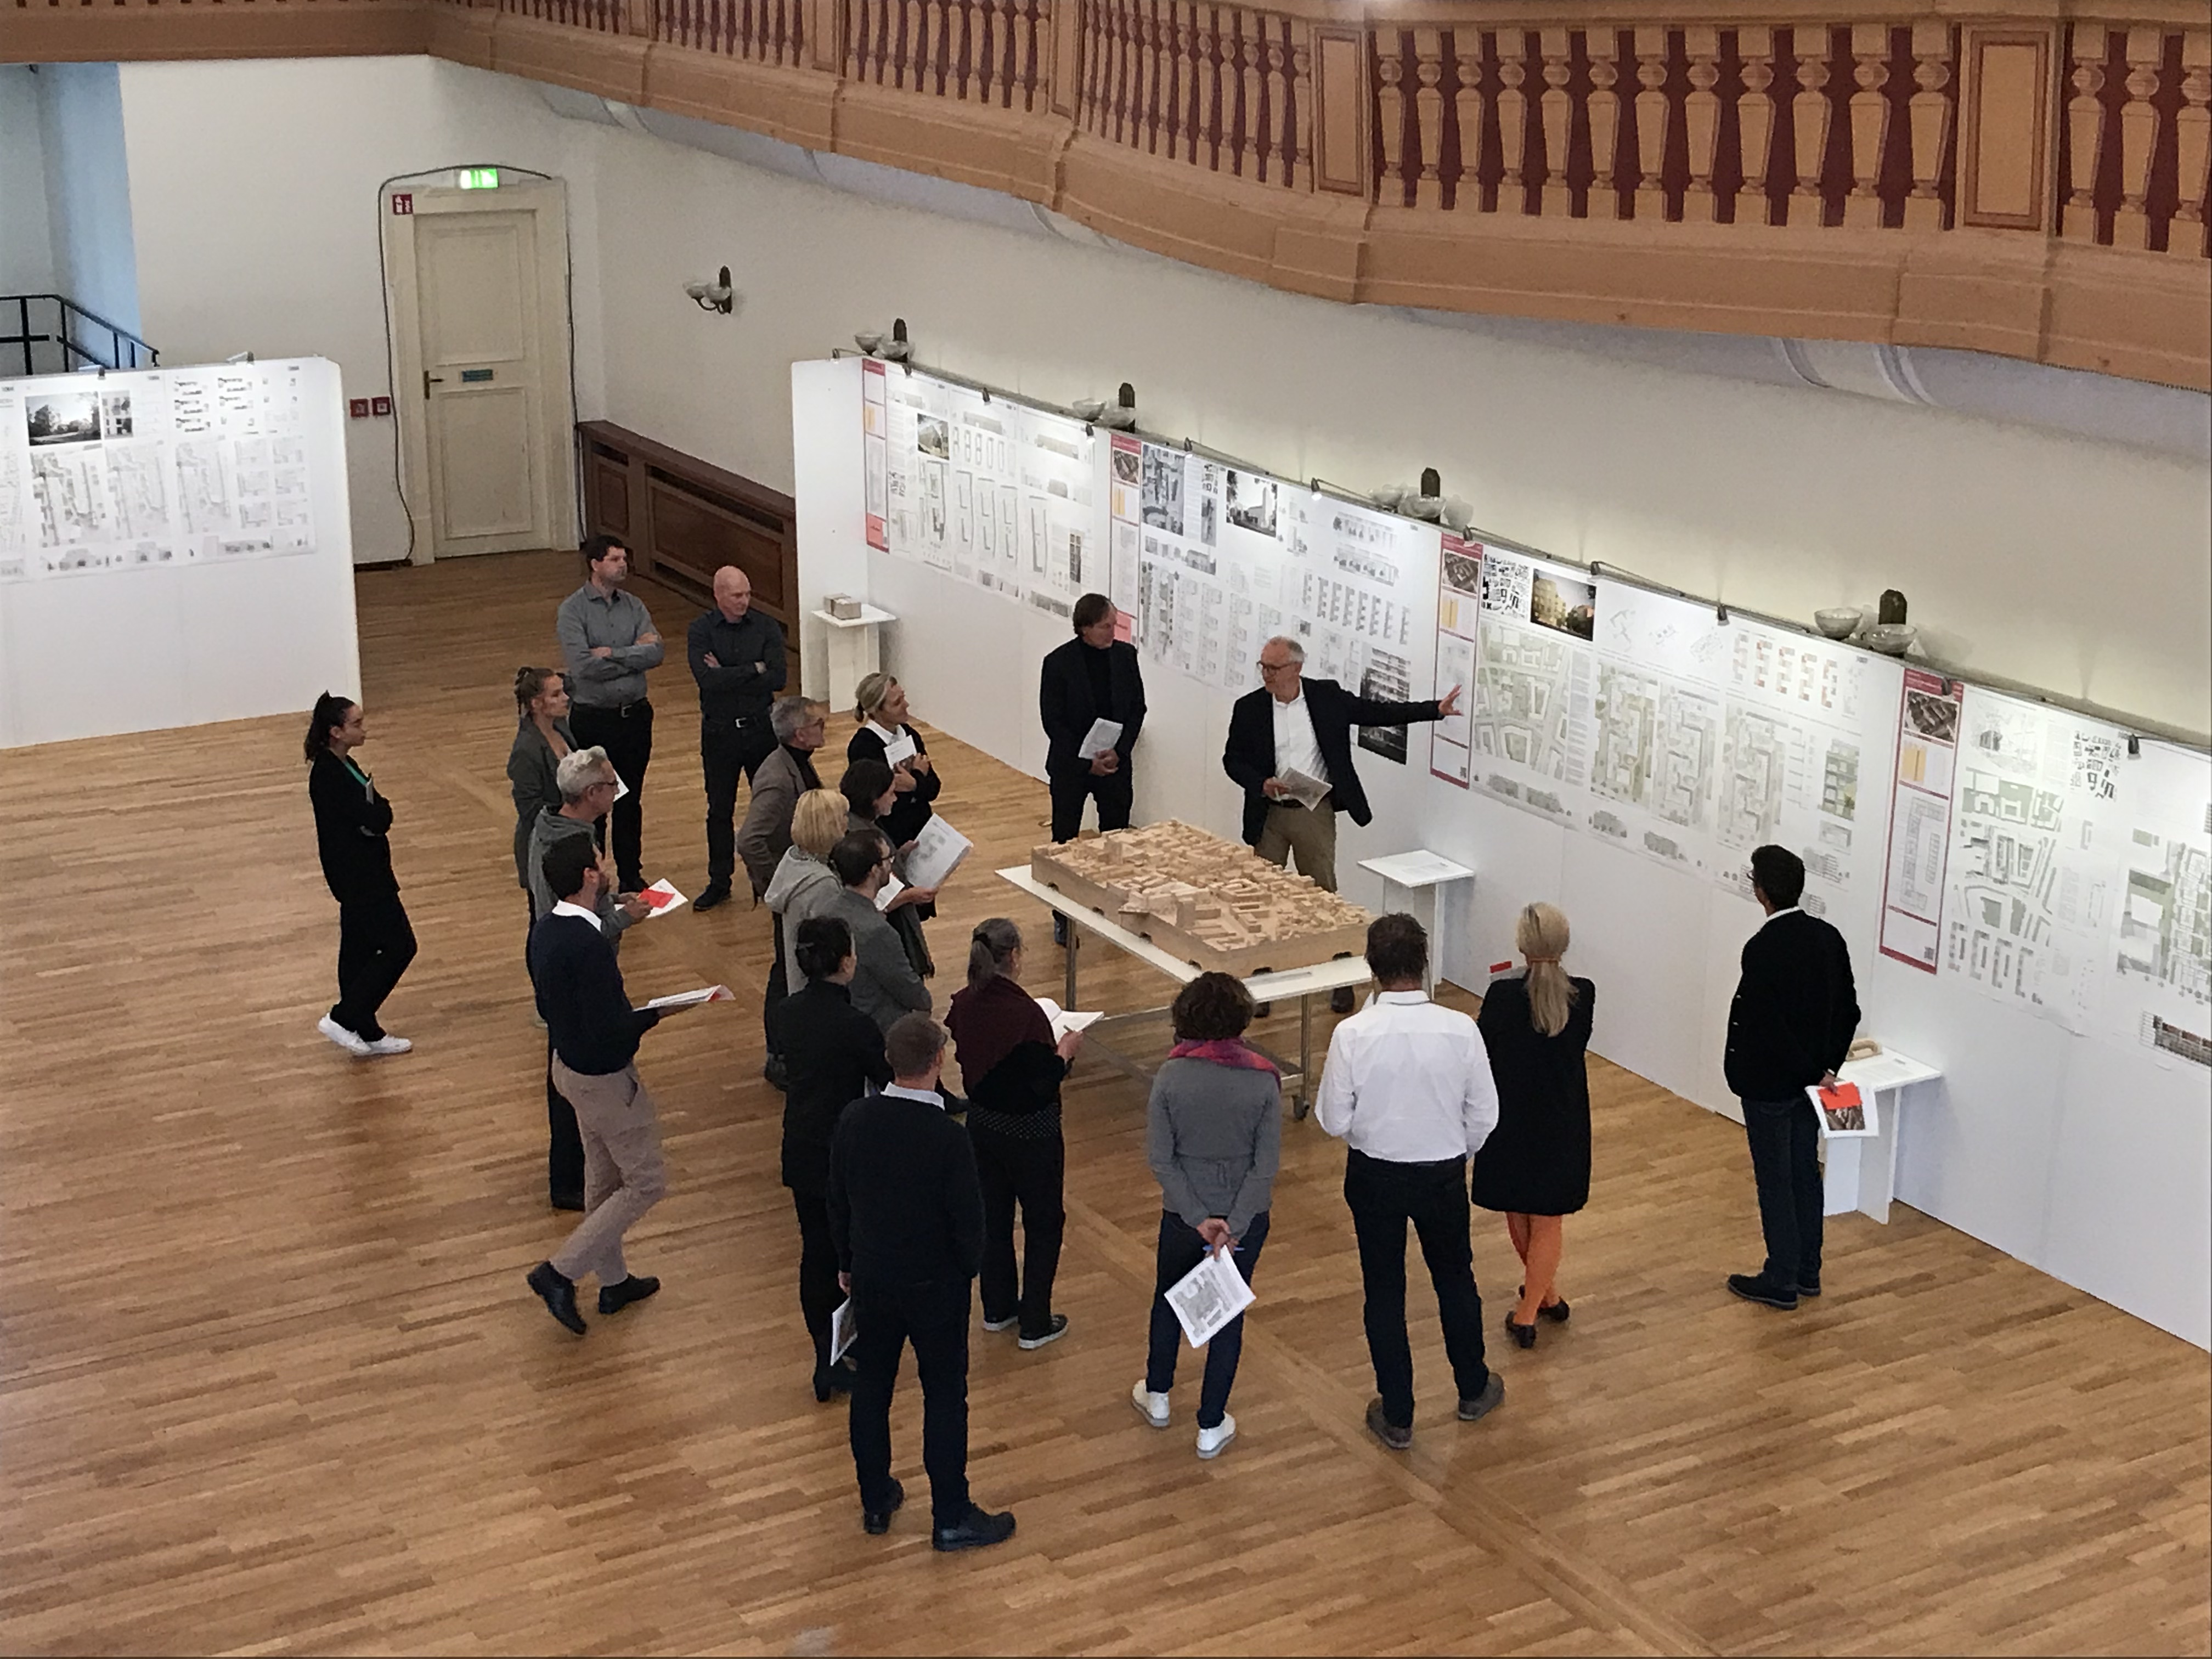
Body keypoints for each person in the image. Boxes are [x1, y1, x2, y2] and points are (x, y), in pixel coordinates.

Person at [1313, 913, 1503, 1451]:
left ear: (1371, 968)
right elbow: (1485, 1114)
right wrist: (1455, 1148)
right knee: (1455, 1280)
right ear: (1423, 963)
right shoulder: (1461, 1029)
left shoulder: (1352, 1034)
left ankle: (1397, 1414)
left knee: (1384, 1290)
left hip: (1374, 1174)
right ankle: (1472, 1387)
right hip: (1442, 1173)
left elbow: (1333, 1119)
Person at [828, 1012, 1014, 1551]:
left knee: (872, 1389)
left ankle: (876, 1500)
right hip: (936, 1287)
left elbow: (838, 1199)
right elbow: (970, 1223)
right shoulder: (947, 1137)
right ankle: (951, 1514)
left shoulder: (855, 1119)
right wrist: (965, 1271)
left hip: (872, 1279)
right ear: (938, 1061)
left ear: (890, 1060)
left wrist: (847, 1260)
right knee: (944, 1396)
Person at [1222, 635, 1462, 1011]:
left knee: (1323, 895)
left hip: (1313, 811)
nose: (1266, 674)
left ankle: (1339, 977)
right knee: (1264, 895)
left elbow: (1375, 713)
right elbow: (1232, 760)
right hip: (1268, 813)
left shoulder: (1326, 697)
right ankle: (1262, 978)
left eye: (1274, 668)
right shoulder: (1249, 708)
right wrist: (1260, 783)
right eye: (1263, 667)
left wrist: (1435, 710)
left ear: (1296, 668)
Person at [523, 837, 693, 1335]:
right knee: (646, 1183)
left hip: (568, 1068)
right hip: (604, 1080)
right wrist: (658, 1013)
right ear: (589, 876)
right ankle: (560, 1271)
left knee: (603, 1180)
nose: (607, 865)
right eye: (601, 860)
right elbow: (611, 1029)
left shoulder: (545, 930)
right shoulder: (589, 945)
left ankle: (614, 1281)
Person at [1134, 972, 1280, 1460]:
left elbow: (1161, 1159)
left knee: (1167, 1300)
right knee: (1228, 1316)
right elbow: (1266, 1165)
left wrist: (1198, 1217)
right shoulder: (1263, 1078)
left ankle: (1158, 1394)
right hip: (1244, 1219)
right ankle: (1211, 1424)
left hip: (1184, 1215)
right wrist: (1233, 1225)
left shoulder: (1171, 1076)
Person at [1724, 844, 1861, 1311]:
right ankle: (1807, 1269)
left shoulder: (1762, 948)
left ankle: (1781, 1276)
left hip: (1771, 1085)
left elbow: (1768, 1027)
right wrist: (1828, 1071)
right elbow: (1849, 1011)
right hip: (1816, 1086)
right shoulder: (1829, 938)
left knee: (1775, 1179)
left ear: (1761, 891)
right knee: (1805, 1171)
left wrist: (1810, 1071)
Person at [946, 919, 1084, 1351]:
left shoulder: (965, 1002)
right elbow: (1039, 1085)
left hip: (982, 1125)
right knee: (1044, 1221)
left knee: (994, 1216)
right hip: (1031, 1132)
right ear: (1015, 956)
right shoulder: (1026, 1015)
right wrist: (1064, 1054)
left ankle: (997, 1307)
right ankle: (1035, 1321)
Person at [1469, 902, 1594, 1348]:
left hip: (1510, 1116)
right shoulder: (1583, 994)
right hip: (1561, 1117)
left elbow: (1484, 1048)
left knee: (1518, 1207)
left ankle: (1527, 1315)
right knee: (1547, 1217)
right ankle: (1546, 1294)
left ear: (1522, 944)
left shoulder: (1503, 996)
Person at [527, 748, 648, 1209]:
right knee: (573, 1066)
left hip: (561, 955)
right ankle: (569, 1178)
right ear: (593, 793)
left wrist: (613, 900)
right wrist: (623, 918)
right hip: (572, 965)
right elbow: (574, 921)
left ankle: (580, 1169)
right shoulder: (569, 844)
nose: (618, 791)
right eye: (612, 785)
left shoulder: (553, 826)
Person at [778, 915, 892, 1402]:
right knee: (855, 1251)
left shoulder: (785, 1013)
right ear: (846, 962)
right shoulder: (855, 1025)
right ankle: (857, 1342)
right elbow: (886, 1078)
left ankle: (825, 1358)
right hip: (845, 1153)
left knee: (816, 1253)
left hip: (801, 1144)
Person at [306, 692, 416, 1057]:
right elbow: (374, 817)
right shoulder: (329, 775)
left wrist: (377, 815)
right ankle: (344, 1016)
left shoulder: (345, 764)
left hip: (362, 873)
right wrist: (376, 816)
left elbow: (379, 811)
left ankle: (365, 1026)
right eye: (356, 724)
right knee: (401, 946)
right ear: (336, 731)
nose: (364, 729)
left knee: (357, 949)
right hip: (360, 877)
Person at [556, 533, 663, 890]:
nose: (623, 566)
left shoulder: (634, 605)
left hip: (634, 717)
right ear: (595, 564)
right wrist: (634, 654)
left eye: (624, 559)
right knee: (593, 802)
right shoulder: (573, 610)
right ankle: (595, 876)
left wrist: (613, 653)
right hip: (594, 719)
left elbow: (656, 653)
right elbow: (583, 666)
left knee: (630, 799)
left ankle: (631, 875)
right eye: (615, 559)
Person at [737, 696, 828, 1087]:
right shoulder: (778, 778)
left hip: (795, 879)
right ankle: (778, 1055)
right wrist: (778, 883)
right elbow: (749, 839)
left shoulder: (796, 762)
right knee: (784, 971)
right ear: (799, 733)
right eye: (818, 723)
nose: (824, 727)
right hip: (790, 887)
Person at [688, 563, 788, 911]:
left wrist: (728, 673)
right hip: (719, 733)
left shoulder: (766, 626)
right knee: (719, 808)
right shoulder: (701, 630)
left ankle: (776, 877)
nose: (744, 601)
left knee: (772, 803)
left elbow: (777, 678)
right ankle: (720, 881)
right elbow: (707, 680)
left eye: (747, 594)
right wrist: (753, 669)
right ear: (718, 595)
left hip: (761, 729)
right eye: (736, 595)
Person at [1040, 593, 1147, 843]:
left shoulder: (1126, 656)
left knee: (1116, 838)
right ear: (1085, 629)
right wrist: (1086, 763)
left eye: (1114, 625)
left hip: (1114, 764)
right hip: (1071, 766)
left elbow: (1137, 709)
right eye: (1105, 627)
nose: (1112, 633)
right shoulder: (1058, 664)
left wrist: (1120, 751)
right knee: (1065, 840)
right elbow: (1053, 721)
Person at [847, 673, 941, 921]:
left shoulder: (910, 734)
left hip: (919, 833)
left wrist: (914, 784)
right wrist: (917, 780)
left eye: (903, 698)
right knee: (896, 909)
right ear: (876, 711)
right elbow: (875, 800)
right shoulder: (864, 746)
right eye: (897, 702)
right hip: (891, 836)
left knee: (918, 908)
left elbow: (933, 788)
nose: (906, 705)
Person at [823, 828, 933, 1033]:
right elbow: (907, 988)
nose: (891, 864)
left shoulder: (829, 909)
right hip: (879, 1027)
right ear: (874, 870)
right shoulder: (877, 932)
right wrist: (926, 1002)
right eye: (888, 859)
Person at [840, 757, 939, 979]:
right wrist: (909, 897)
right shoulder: (860, 839)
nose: (895, 799)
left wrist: (899, 856)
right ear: (875, 798)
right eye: (891, 793)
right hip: (889, 930)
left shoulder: (863, 826)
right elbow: (867, 902)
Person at [765, 789, 856, 997]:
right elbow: (834, 940)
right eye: (844, 816)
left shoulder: (793, 858)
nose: (848, 822)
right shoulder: (822, 884)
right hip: (820, 988)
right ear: (831, 824)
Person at [505, 667, 572, 928]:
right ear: (536, 704)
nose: (566, 698)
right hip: (543, 848)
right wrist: (576, 809)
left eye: (563, 692)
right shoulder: (526, 750)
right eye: (556, 695)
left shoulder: (561, 727)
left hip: (570, 839)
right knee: (545, 924)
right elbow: (530, 810)